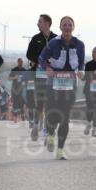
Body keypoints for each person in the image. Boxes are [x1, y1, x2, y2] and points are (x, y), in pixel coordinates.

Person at [39, 16, 85, 160]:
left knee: (65, 117)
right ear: (60, 27)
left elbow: (82, 62)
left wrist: (82, 70)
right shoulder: (53, 43)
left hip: (70, 83)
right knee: (52, 114)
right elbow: (41, 58)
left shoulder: (79, 44)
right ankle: (51, 134)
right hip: (54, 83)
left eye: (69, 24)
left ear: (73, 27)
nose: (67, 27)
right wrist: (46, 67)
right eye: (64, 24)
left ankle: (60, 150)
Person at [26, 14, 57, 142]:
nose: (37, 23)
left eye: (40, 21)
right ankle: (38, 124)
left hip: (53, 74)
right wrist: (40, 60)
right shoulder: (36, 38)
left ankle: (46, 128)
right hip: (39, 73)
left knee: (50, 102)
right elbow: (29, 54)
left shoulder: (56, 38)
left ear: (47, 23)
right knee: (40, 102)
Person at [9, 58, 27, 123]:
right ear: (18, 62)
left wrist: (25, 82)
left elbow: (27, 79)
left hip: (21, 89)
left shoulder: (25, 70)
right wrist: (15, 77)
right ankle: (15, 118)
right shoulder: (14, 69)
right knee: (15, 103)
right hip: (14, 88)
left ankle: (23, 117)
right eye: (20, 62)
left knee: (21, 103)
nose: (21, 63)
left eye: (22, 62)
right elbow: (9, 78)